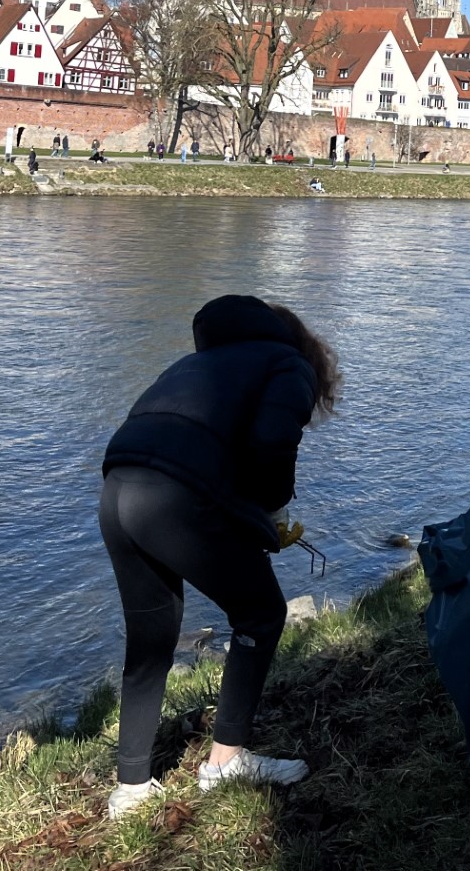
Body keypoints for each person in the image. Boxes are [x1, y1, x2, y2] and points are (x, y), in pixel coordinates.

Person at [99, 296, 341, 819]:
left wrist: (243, 518)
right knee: (261, 613)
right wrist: (271, 511)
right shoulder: (287, 363)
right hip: (170, 498)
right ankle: (226, 761)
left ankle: (131, 789)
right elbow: (272, 443)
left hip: (116, 489)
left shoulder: (193, 364)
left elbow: (198, 447)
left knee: (150, 638)